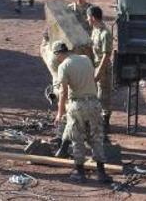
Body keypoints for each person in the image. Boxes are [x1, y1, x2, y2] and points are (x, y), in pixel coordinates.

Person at [52, 40, 112, 184]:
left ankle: (80, 173)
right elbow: (92, 78)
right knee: (96, 137)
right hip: (94, 103)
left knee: (77, 138)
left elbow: (63, 92)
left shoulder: (63, 66)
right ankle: (101, 173)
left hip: (77, 105)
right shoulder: (85, 59)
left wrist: (60, 113)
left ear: (58, 54)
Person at [87, 6, 113, 137]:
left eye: (88, 17)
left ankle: (106, 123)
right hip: (95, 66)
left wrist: (99, 71)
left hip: (103, 68)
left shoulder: (105, 33)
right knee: (96, 95)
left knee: (104, 95)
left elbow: (106, 55)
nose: (87, 20)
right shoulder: (95, 30)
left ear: (92, 17)